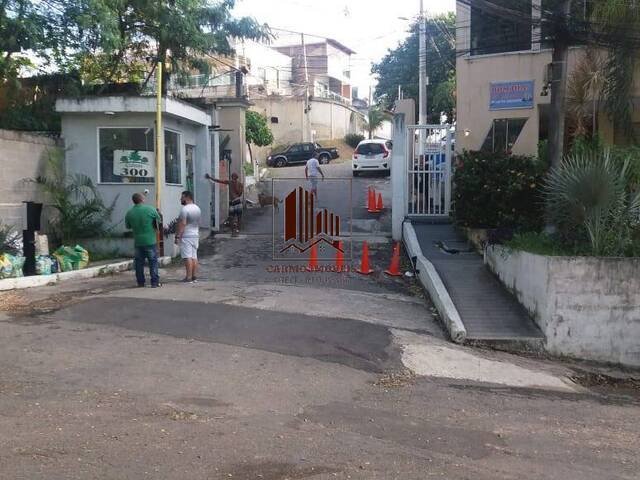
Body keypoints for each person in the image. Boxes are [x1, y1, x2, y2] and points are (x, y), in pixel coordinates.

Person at [125, 192, 161, 288]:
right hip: (150, 240)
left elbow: (128, 226)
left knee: (139, 263)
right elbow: (159, 220)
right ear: (142, 200)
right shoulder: (150, 209)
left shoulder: (129, 212)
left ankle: (140, 282)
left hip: (138, 241)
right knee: (153, 262)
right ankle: (154, 282)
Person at [205, 172, 244, 236]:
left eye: (234, 177)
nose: (233, 178)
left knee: (238, 218)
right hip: (233, 202)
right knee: (232, 218)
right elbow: (219, 181)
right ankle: (234, 232)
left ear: (236, 178)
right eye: (232, 176)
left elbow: (239, 194)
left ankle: (237, 231)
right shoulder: (230, 182)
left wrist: (236, 185)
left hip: (237, 202)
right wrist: (210, 177)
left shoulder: (239, 184)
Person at [175, 191, 201, 283]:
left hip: (187, 236)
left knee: (187, 257)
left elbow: (183, 223)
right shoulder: (197, 208)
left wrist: (178, 236)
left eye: (182, 197)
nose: (180, 199)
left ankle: (188, 277)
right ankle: (194, 276)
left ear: (187, 197)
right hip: (195, 235)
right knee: (194, 256)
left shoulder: (185, 209)